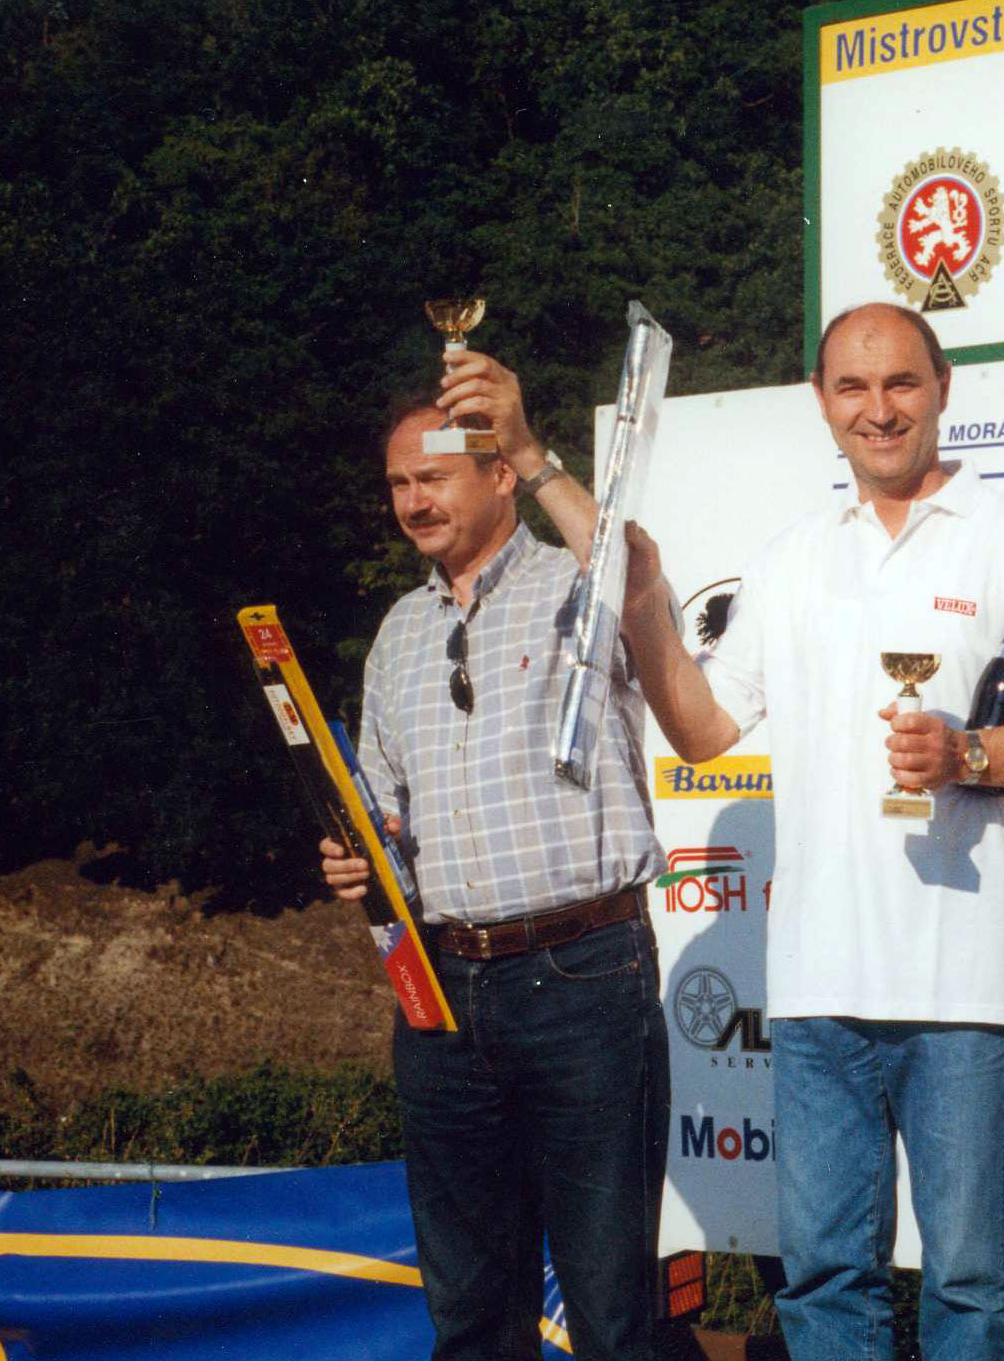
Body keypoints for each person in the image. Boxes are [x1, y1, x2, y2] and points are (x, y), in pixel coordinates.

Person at [620, 302, 1004, 1361]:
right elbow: (704, 730)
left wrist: (972, 755)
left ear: (942, 387)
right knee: (822, 1283)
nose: (879, 409)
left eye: (900, 382)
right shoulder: (792, 557)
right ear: (821, 403)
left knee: (970, 1283)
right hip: (817, 991)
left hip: (966, 990)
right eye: (852, 388)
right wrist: (643, 608)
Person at [320, 346, 671, 1361]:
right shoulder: (396, 634)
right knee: (470, 1314)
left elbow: (632, 571)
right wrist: (361, 858)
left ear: (499, 477)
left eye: (433, 477)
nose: (412, 502)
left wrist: (530, 442)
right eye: (398, 483)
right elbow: (386, 814)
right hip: (439, 990)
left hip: (584, 979)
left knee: (610, 1310)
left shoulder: (579, 585)